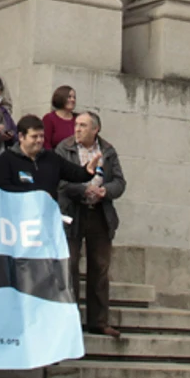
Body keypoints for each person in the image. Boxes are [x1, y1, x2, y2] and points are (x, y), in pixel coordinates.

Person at [57, 111, 125, 338]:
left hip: (99, 213)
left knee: (100, 266)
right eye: (76, 125)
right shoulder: (64, 148)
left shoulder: (108, 151)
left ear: (95, 129)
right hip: (73, 212)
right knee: (71, 265)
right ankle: (70, 320)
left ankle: (99, 321)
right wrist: (83, 189)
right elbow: (60, 181)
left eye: (83, 126)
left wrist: (106, 191)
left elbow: (120, 182)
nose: (77, 129)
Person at [0, 115, 95, 201]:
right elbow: (3, 189)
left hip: (48, 214)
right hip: (20, 214)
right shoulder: (6, 159)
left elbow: (75, 173)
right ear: (21, 136)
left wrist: (88, 170)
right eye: (34, 136)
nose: (39, 140)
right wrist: (35, 196)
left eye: (42, 136)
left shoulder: (51, 157)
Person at [43, 85, 77, 150]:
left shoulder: (78, 118)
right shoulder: (49, 118)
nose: (73, 100)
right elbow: (46, 143)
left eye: (74, 97)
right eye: (69, 97)